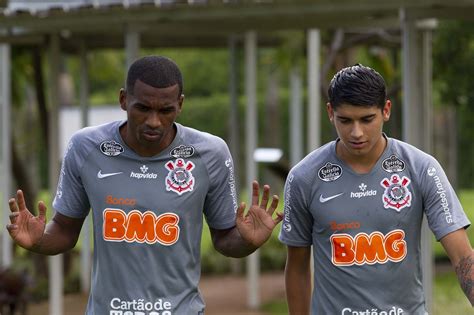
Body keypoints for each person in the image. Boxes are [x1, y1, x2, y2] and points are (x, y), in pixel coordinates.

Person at [7, 55, 282, 314]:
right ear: (124, 100)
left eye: (166, 110)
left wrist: (247, 242)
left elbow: (224, 239)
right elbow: (66, 231)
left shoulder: (210, 153)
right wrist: (39, 241)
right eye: (143, 108)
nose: (154, 121)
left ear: (181, 104)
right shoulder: (86, 147)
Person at [279, 64, 474, 314]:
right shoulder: (304, 177)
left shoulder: (422, 168)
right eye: (345, 120)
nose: (356, 132)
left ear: (386, 110)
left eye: (367, 119)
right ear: (330, 112)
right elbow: (296, 267)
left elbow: (462, 256)